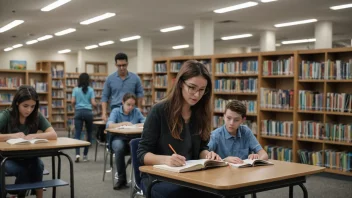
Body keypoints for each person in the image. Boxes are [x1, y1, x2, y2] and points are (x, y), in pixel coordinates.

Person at [137, 60, 222, 198]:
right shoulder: (159, 111)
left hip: (191, 176)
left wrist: (208, 156)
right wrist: (166, 160)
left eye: (201, 90)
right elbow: (142, 154)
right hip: (160, 178)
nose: (196, 95)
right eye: (192, 87)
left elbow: (201, 148)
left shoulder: (201, 113)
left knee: (220, 193)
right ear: (181, 83)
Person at [0, 85, 57, 198]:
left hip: (28, 156)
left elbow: (53, 134)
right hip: (6, 157)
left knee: (39, 166)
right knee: (22, 170)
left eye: (32, 106)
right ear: (17, 103)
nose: (29, 110)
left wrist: (34, 136)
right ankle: (16, 194)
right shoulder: (6, 115)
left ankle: (31, 195)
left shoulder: (36, 116)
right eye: (25, 106)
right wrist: (12, 136)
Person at [106, 93, 145, 190]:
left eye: (133, 105)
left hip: (133, 138)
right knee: (119, 148)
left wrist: (140, 124)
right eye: (128, 104)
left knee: (141, 148)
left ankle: (140, 181)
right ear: (122, 102)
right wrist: (123, 123)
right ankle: (122, 179)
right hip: (118, 138)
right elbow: (110, 125)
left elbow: (146, 121)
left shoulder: (136, 111)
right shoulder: (116, 111)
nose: (130, 107)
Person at [101, 52, 144, 122]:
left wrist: (139, 107)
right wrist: (104, 113)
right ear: (115, 65)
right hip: (116, 110)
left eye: (124, 65)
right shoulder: (110, 79)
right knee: (114, 130)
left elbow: (140, 94)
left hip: (131, 111)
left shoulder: (135, 78)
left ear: (127, 64)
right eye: (119, 65)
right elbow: (105, 97)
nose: (122, 68)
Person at [72, 73, 97, 162]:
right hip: (88, 113)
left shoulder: (75, 89)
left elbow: (73, 101)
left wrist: (75, 107)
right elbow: (93, 103)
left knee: (77, 133)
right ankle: (85, 155)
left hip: (78, 112)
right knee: (89, 133)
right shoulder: (91, 90)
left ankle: (77, 154)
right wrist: (95, 106)